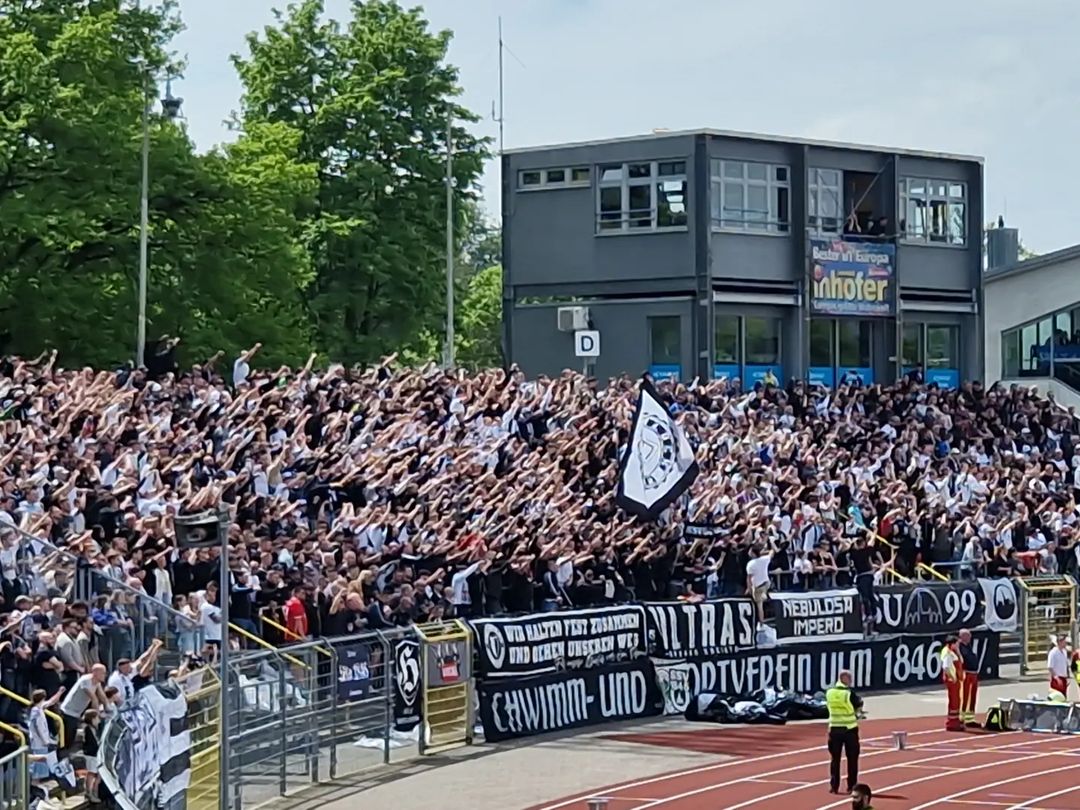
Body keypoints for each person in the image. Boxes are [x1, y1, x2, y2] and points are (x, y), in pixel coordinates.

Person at [825, 669, 862, 795]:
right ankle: (852, 785)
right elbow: (858, 705)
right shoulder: (849, 694)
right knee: (852, 759)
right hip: (849, 729)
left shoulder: (829, 692)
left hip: (834, 729)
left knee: (835, 759)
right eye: (850, 678)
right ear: (844, 679)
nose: (851, 681)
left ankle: (834, 786)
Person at [941, 635, 965, 731]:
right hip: (952, 680)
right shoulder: (948, 653)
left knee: (957, 699)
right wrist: (952, 677)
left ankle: (955, 720)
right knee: (954, 700)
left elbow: (961, 660)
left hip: (955, 679)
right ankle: (952, 722)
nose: (958, 645)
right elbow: (946, 667)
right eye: (957, 643)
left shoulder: (953, 652)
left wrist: (958, 651)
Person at [957, 628, 980, 726]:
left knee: (972, 696)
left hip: (973, 673)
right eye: (968, 636)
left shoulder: (968, 646)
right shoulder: (960, 647)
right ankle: (962, 718)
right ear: (962, 637)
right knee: (966, 696)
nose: (970, 637)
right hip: (967, 673)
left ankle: (970, 718)